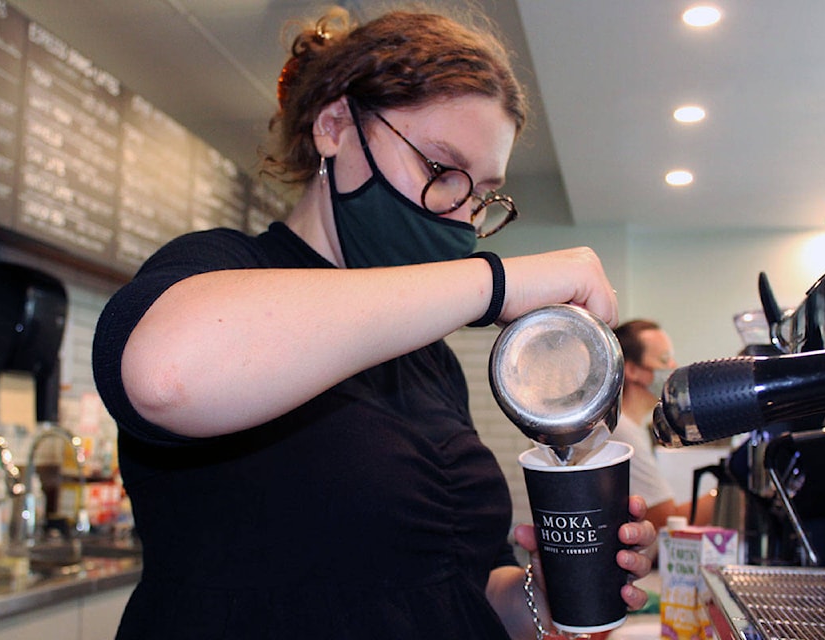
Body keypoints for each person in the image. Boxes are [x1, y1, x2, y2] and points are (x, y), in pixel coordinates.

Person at [91, 7, 656, 639]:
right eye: (441, 172)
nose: (461, 219)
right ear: (335, 124)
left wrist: (544, 593)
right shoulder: (220, 269)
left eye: (481, 197)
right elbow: (166, 375)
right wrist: (496, 282)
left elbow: (453, 584)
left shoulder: (429, 360)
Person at [613, 319, 715, 531]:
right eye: (664, 359)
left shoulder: (633, 428)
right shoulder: (622, 433)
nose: (673, 367)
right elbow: (665, 520)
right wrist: (730, 492)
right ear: (632, 370)